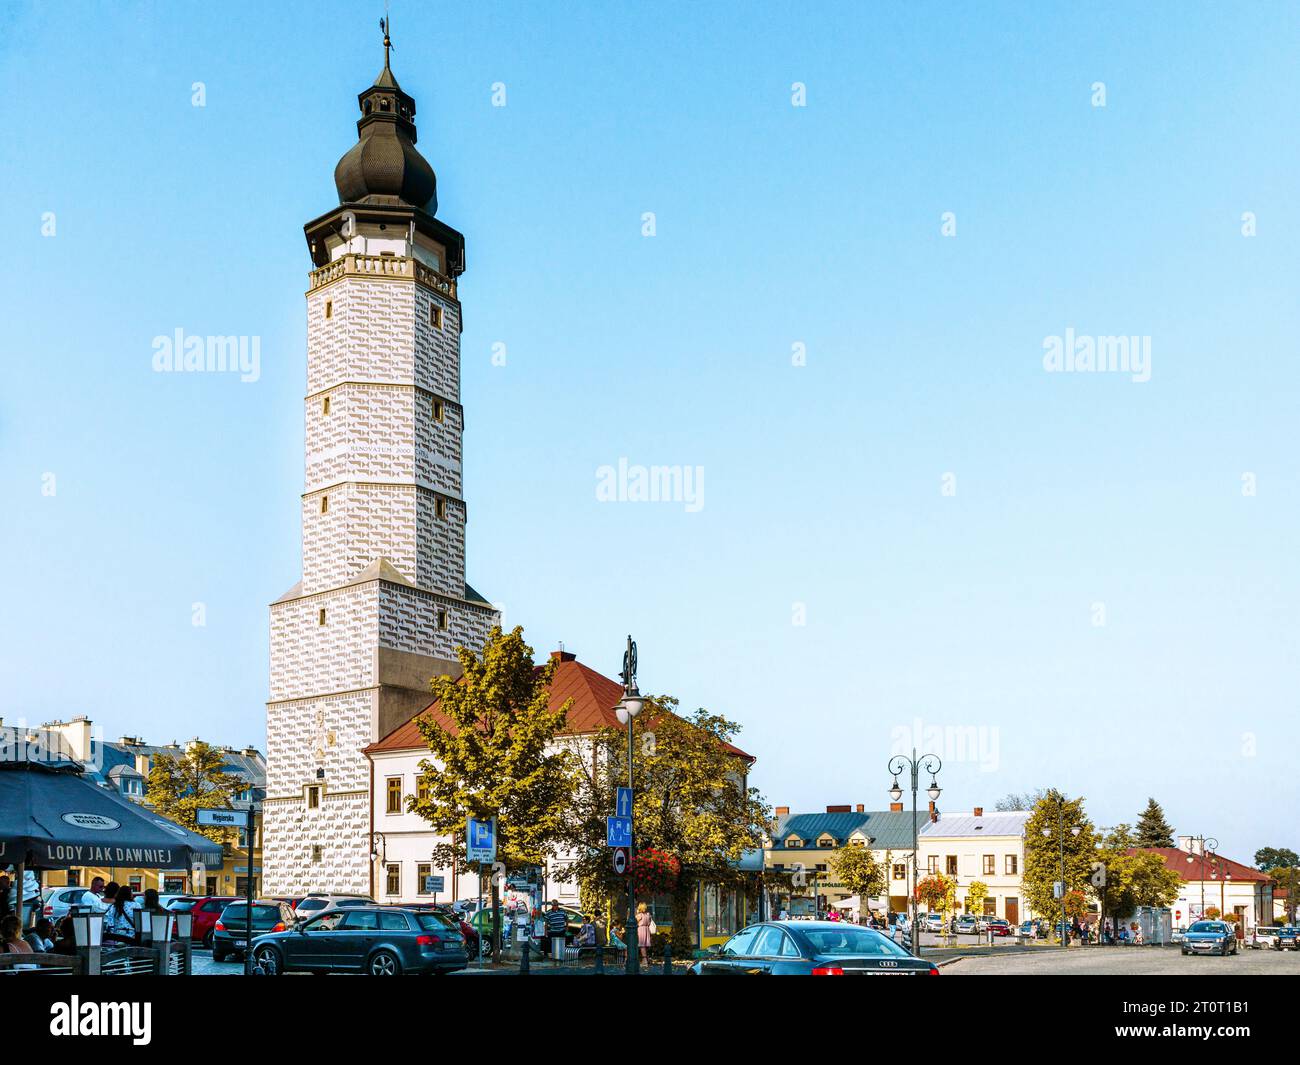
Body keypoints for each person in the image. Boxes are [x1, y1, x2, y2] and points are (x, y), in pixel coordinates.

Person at [636, 902, 652, 966]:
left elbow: (634, 922)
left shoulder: (639, 915)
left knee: (642, 945)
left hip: (641, 930)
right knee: (645, 945)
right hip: (647, 930)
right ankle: (646, 960)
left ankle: (644, 960)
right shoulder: (648, 915)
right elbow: (649, 923)